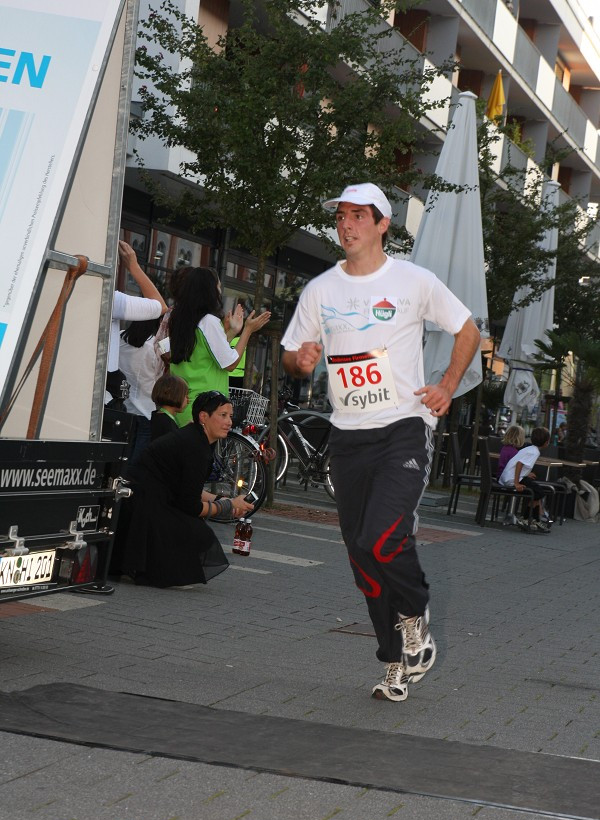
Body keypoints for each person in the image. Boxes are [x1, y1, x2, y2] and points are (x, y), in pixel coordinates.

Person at [281, 182, 481, 703]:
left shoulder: (414, 281)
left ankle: (415, 613)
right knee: (361, 559)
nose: (345, 226)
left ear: (382, 224)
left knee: (382, 537)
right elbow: (291, 351)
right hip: (347, 436)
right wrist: (299, 361)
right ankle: (394, 660)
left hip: (403, 429)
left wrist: (447, 386)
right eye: (340, 217)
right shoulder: (321, 290)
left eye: (356, 217)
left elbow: (468, 330)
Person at [115, 391, 254, 588]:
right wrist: (227, 505)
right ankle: (149, 568)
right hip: (141, 507)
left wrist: (223, 500)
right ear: (203, 417)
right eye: (222, 415)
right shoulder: (195, 446)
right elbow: (191, 506)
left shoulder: (196, 439)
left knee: (196, 530)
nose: (229, 422)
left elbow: (189, 488)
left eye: (230, 416)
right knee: (199, 533)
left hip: (147, 500)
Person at [161, 267, 270, 425]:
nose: (220, 291)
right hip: (205, 407)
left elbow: (207, 354)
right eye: (218, 286)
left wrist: (231, 332)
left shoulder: (178, 318)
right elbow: (230, 363)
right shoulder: (209, 321)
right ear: (209, 290)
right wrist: (248, 330)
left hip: (184, 404)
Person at [106, 241, 168, 407]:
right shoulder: (157, 346)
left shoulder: (119, 338)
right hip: (144, 410)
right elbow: (161, 306)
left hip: (117, 402)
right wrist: (133, 266)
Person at [119, 316, 163, 470]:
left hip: (123, 407)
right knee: (138, 461)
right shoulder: (154, 347)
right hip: (147, 410)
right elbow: (160, 377)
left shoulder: (120, 338)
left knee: (121, 456)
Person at [498, 426, 551, 533]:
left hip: (508, 477)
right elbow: (519, 464)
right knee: (539, 492)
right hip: (512, 479)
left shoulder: (530, 449)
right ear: (546, 442)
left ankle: (533, 519)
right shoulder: (534, 452)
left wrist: (525, 475)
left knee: (537, 492)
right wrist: (517, 483)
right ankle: (528, 519)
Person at [150, 374, 189, 441]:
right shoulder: (167, 423)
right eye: (185, 395)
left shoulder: (159, 416)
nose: (188, 400)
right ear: (175, 396)